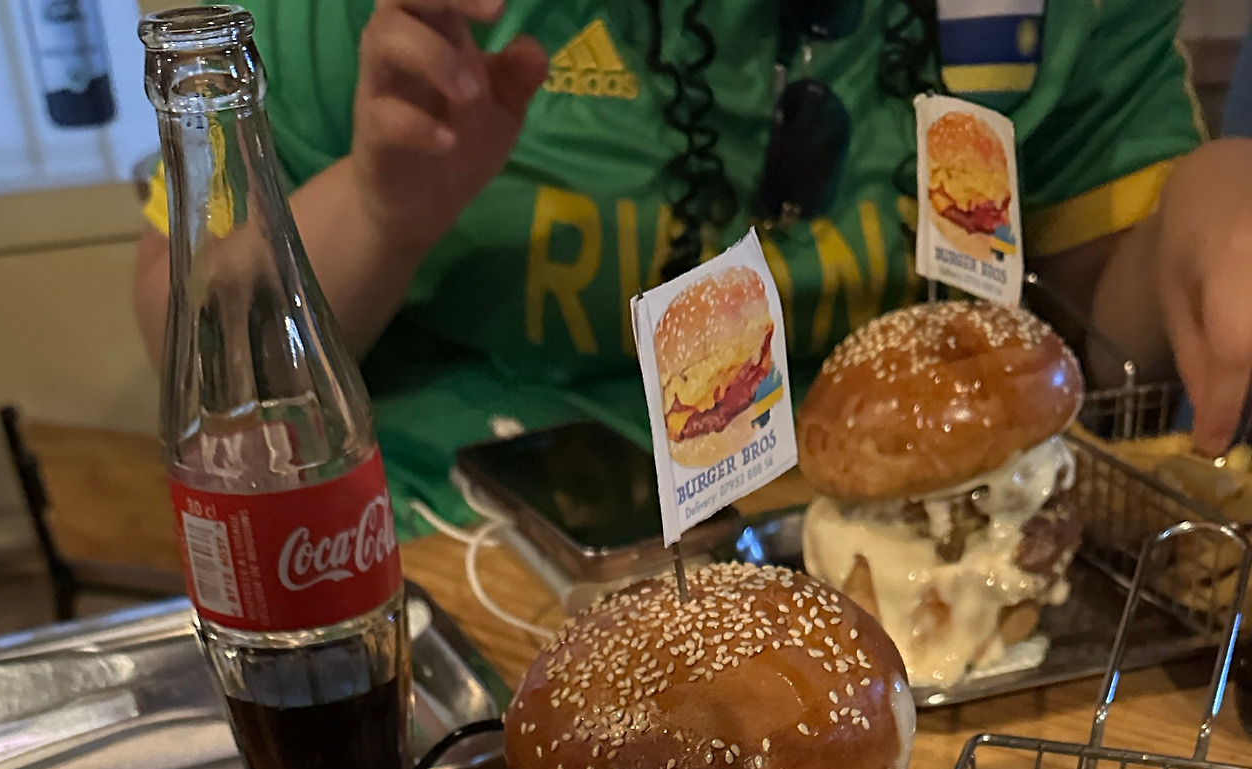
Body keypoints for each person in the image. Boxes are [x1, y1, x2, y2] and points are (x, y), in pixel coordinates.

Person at [133, 0, 1252, 537]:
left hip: (928, 562)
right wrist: (377, 213)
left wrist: (1194, 214)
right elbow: (190, 354)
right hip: (456, 573)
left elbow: (1101, 338)